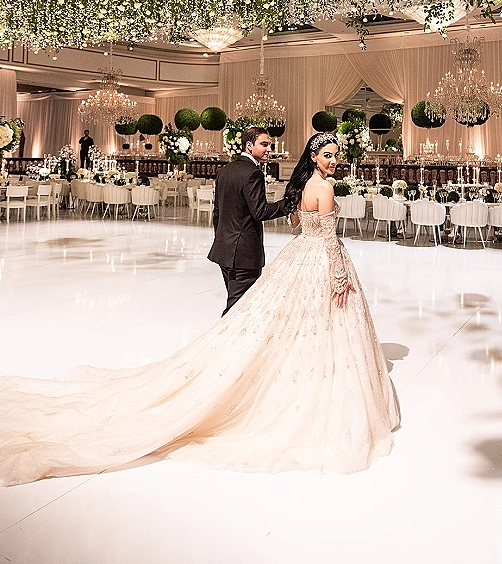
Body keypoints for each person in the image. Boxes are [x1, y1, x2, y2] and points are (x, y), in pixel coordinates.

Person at [0, 132, 399, 487]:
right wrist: (339, 277)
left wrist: (291, 212)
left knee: (252, 316)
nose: (333, 160)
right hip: (299, 258)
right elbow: (323, 237)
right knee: (246, 321)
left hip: (262, 252)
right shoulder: (318, 187)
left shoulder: (246, 174)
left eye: (336, 155)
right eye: (328, 154)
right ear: (314, 158)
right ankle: (228, 370)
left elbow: (279, 220)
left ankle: (232, 363)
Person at [208, 125, 289, 315]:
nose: (269, 149)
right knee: (237, 309)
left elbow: (217, 212)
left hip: (224, 249)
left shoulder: (226, 170)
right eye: (264, 144)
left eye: (270, 145)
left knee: (239, 305)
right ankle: (220, 344)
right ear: (249, 145)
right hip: (243, 254)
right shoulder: (253, 173)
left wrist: (222, 240)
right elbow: (260, 212)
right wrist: (288, 204)